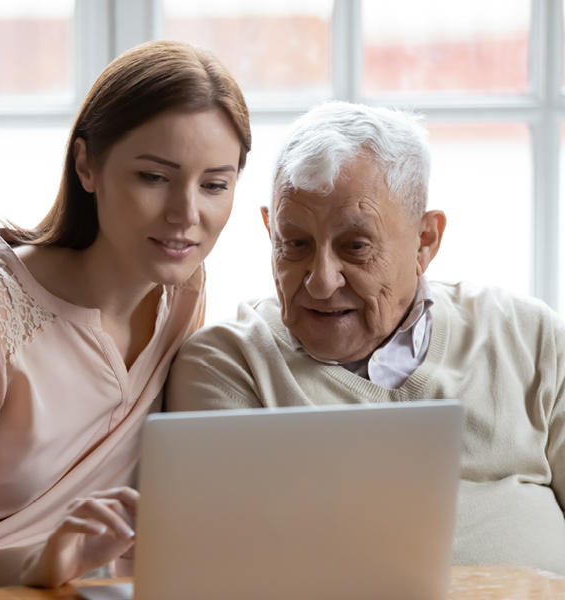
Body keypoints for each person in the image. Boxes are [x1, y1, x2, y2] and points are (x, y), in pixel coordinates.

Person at [166, 102, 565, 575]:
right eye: (295, 244)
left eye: (355, 246)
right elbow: (233, 567)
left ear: (425, 241)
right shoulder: (230, 365)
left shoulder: (529, 335)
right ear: (269, 230)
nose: (320, 281)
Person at [0, 40, 250, 589]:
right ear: (86, 165)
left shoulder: (183, 292)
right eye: (154, 177)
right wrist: (42, 561)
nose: (185, 216)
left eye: (214, 184)